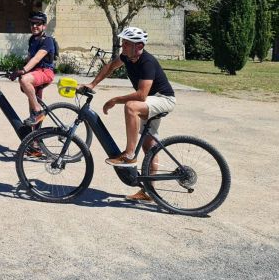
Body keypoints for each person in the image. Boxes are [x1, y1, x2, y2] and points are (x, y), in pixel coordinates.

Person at [81, 26, 176, 203]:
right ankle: (149, 191)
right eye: (123, 43)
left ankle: (130, 154)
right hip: (151, 101)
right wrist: (92, 84)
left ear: (138, 46)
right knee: (149, 146)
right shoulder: (127, 56)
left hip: (163, 99)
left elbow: (141, 95)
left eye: (126, 44)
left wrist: (115, 99)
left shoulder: (147, 62)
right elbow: (110, 66)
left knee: (131, 106)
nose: (122, 46)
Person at [14, 11, 58, 126]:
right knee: (32, 107)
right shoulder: (32, 40)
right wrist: (17, 69)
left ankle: (38, 111)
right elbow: (29, 58)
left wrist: (23, 71)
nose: (34, 26)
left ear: (44, 26)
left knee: (24, 80)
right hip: (35, 73)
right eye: (32, 24)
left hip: (45, 72)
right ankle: (35, 141)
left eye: (38, 24)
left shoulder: (47, 41)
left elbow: (37, 59)